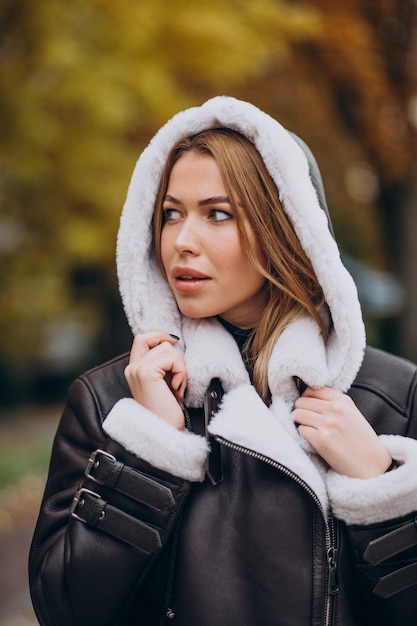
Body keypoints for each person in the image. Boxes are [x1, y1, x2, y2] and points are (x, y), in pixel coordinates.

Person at [29, 96, 417, 626]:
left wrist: (379, 488)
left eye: (218, 214)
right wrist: (150, 451)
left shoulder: (390, 398)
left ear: (288, 228)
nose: (181, 242)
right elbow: (64, 609)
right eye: (170, 214)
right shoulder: (111, 400)